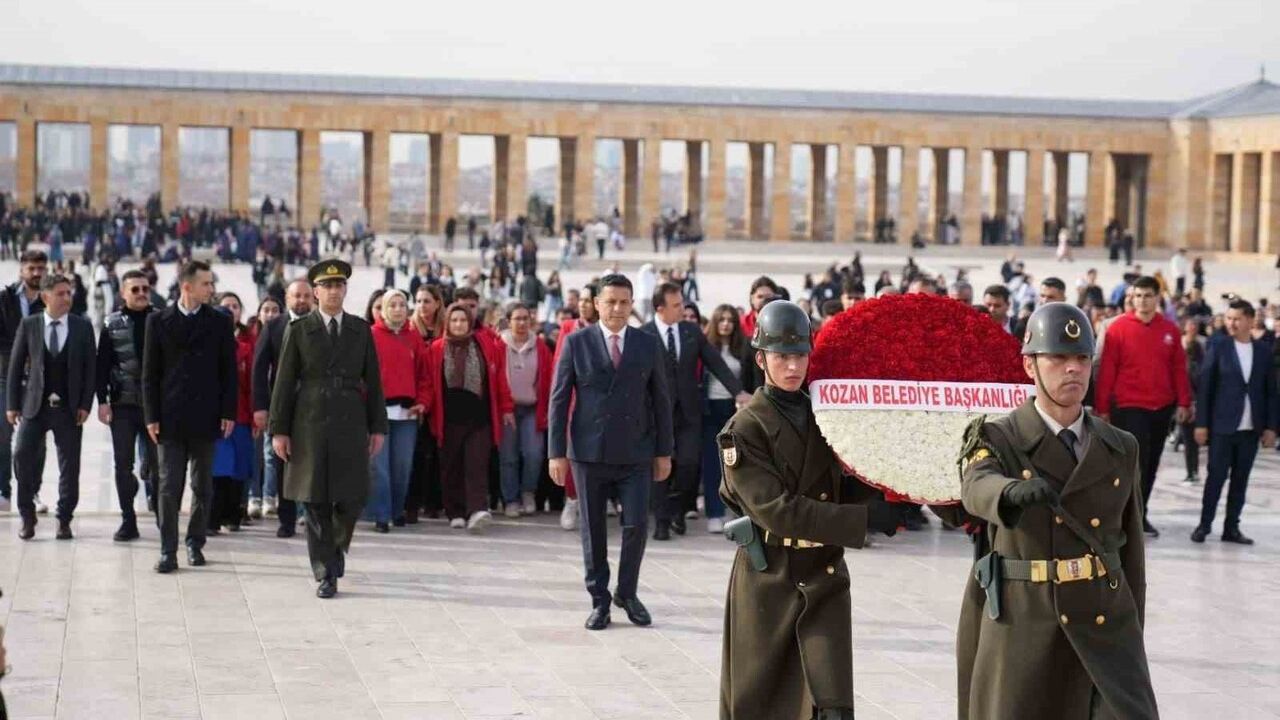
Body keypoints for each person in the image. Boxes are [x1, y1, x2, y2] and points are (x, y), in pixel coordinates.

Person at [956, 302, 1157, 719]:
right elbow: (976, 485)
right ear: (1029, 365)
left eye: (1082, 358)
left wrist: (1132, 628)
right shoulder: (998, 436)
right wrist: (1009, 492)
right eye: (1058, 358)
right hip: (1027, 621)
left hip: (1103, 625)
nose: (1073, 369)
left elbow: (1131, 553)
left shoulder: (1120, 446)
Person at [718, 300, 900, 720]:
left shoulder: (826, 416)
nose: (793, 366)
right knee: (766, 705)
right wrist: (863, 521)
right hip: (771, 578)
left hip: (823, 574)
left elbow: (834, 486)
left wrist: (885, 491)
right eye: (782, 356)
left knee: (831, 706)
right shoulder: (744, 430)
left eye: (800, 355)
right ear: (761, 359)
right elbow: (776, 511)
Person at [548, 273, 673, 630]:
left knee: (636, 525)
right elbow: (559, 399)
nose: (617, 308)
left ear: (632, 304)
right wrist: (556, 453)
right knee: (593, 529)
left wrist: (664, 451)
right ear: (596, 304)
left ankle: (627, 593)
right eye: (610, 302)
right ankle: (599, 600)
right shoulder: (577, 342)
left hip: (636, 451)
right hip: (588, 452)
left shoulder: (647, 343)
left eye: (624, 302)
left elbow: (661, 400)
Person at [269, 259, 387, 598]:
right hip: (310, 419)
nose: (334, 291)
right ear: (316, 292)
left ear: (345, 290)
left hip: (350, 417)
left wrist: (378, 426)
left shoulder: (360, 329)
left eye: (339, 285)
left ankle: (336, 546)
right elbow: (284, 381)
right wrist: (279, 429)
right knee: (315, 498)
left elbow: (374, 381)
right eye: (327, 286)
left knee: (352, 496)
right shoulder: (299, 329)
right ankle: (325, 571)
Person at [143, 260, 238, 573]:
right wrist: (151, 416)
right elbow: (149, 374)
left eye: (211, 283)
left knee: (202, 485)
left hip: (206, 416)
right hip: (170, 418)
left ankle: (195, 542)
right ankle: (167, 550)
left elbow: (228, 372)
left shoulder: (220, 321)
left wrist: (228, 411)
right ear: (187, 286)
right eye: (206, 284)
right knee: (169, 486)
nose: (211, 289)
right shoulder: (158, 321)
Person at [642, 282, 749, 540]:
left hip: (689, 413)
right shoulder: (643, 335)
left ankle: (678, 509)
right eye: (676, 305)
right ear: (660, 308)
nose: (683, 309)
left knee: (689, 464)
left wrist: (738, 392)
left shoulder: (691, 331)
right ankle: (662, 521)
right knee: (660, 465)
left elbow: (716, 363)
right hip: (657, 414)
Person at [1094, 275, 1192, 537]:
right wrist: (1102, 408)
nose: (1142, 301)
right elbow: (1107, 370)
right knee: (1133, 464)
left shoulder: (1170, 330)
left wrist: (1184, 401)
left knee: (1151, 464)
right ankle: (1125, 517)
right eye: (1138, 295)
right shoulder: (1117, 328)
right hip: (1128, 406)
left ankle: (1140, 514)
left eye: (1148, 296)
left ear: (1157, 298)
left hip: (1161, 408)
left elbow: (1179, 368)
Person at [7, 274, 95, 540]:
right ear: (45, 297)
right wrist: (12, 404)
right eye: (60, 293)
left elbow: (90, 369)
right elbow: (15, 366)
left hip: (69, 408)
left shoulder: (82, 327)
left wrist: (85, 404)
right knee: (22, 455)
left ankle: (64, 518)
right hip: (34, 406)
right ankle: (27, 515)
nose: (67, 298)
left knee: (70, 465)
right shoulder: (29, 324)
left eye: (69, 293)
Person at [1191, 299, 1279, 545]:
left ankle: (1232, 528)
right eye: (1229, 318)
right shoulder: (1218, 346)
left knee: (1240, 481)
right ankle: (1204, 525)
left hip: (1250, 428)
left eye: (1237, 319)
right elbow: (1206, 388)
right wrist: (1201, 423)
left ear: (1250, 320)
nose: (1231, 323)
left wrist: (1271, 427)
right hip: (1222, 426)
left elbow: (1271, 392)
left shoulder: (1263, 351)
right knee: (1215, 478)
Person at [426, 302, 514, 531]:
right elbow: (428, 383)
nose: (459, 324)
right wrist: (422, 405)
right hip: (449, 418)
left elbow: (498, 378)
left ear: (470, 322)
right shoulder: (436, 348)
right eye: (454, 320)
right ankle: (455, 512)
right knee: (451, 465)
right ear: (447, 323)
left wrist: (506, 408)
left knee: (476, 464)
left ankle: (476, 510)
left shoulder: (483, 344)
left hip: (479, 417)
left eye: (463, 320)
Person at [96, 269, 158, 541]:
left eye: (145, 289)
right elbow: (102, 365)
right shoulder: (111, 324)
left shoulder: (161, 319)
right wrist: (102, 401)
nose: (141, 294)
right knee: (123, 465)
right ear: (123, 293)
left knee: (158, 466)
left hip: (155, 407)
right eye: (135, 289)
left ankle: (163, 518)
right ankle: (128, 520)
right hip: (123, 405)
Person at [251, 278, 312, 537]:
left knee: (312, 463)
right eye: (297, 296)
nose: (302, 300)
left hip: (313, 408)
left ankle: (310, 515)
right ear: (287, 298)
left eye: (306, 296)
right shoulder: (274, 326)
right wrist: (260, 407)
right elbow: (259, 370)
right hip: (282, 406)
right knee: (282, 462)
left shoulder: (321, 326)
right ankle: (287, 520)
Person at [367, 289, 431, 532]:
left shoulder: (413, 337)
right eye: (392, 305)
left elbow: (425, 376)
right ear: (383, 309)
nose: (397, 309)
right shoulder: (371, 335)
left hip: (407, 414)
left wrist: (423, 401)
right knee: (380, 467)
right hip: (378, 413)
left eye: (402, 305)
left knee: (402, 466)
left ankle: (397, 510)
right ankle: (382, 515)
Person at [700, 304, 759, 534]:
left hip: (735, 410)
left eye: (730, 320)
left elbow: (750, 380)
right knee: (712, 463)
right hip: (709, 409)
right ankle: (715, 513)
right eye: (721, 319)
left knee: (735, 462)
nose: (726, 324)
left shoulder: (743, 348)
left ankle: (737, 508)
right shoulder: (705, 347)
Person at [0, 250, 48, 513]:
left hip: (37, 381)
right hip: (6, 376)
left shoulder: (50, 300)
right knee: (2, 435)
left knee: (35, 441)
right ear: (22, 270)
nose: (37, 273)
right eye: (32, 268)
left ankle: (31, 492)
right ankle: (3, 490)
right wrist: (22, 354)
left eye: (41, 268)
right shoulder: (5, 299)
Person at [550, 283, 600, 531]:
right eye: (581, 300)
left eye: (588, 300)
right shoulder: (569, 327)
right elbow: (559, 365)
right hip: (573, 400)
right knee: (572, 452)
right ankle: (571, 500)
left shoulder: (605, 330)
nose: (583, 305)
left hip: (600, 402)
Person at [209, 293, 257, 534]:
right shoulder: (204, 351)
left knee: (239, 468)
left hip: (241, 418)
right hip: (212, 419)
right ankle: (212, 517)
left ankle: (234, 514)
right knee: (217, 468)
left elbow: (251, 386)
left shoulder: (245, 350)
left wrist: (255, 415)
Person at [498, 302, 551, 517]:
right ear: (508, 321)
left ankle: (528, 492)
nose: (521, 323)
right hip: (507, 409)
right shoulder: (499, 344)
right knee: (508, 456)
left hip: (531, 408)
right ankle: (510, 499)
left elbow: (547, 378)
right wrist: (504, 407)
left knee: (534, 453)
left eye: (525, 318)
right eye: (517, 319)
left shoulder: (540, 346)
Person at [407, 285, 445, 522]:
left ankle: (434, 502)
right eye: (419, 301)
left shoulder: (446, 329)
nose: (422, 306)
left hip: (442, 398)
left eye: (427, 301)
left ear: (437, 303)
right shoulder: (410, 329)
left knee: (437, 453)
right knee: (417, 453)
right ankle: (412, 503)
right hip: (416, 398)